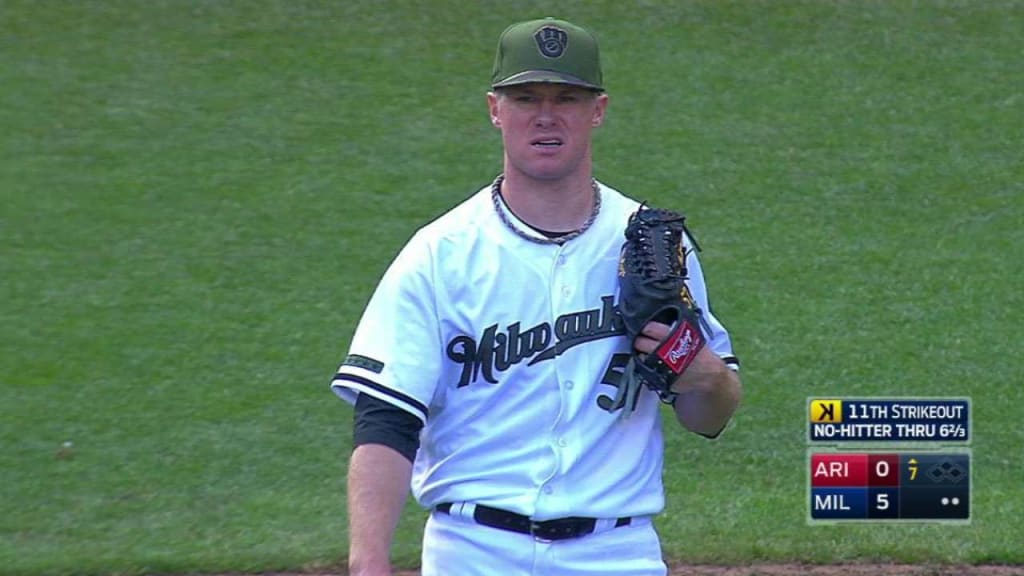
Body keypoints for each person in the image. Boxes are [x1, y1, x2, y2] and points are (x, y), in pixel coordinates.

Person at [331, 17, 742, 576]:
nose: (546, 115)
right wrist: (368, 563)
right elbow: (386, 419)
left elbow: (709, 416)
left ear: (597, 110)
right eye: (526, 98)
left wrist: (709, 378)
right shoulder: (441, 253)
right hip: (474, 553)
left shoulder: (654, 246)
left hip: (616, 554)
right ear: (495, 109)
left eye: (566, 98)